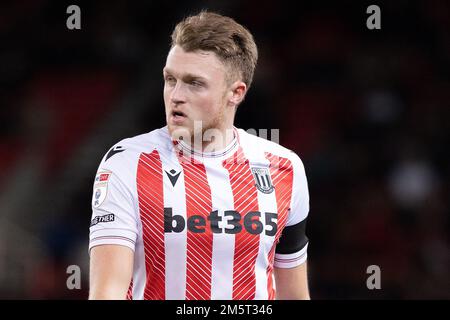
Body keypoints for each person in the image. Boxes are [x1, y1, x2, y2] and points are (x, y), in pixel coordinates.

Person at [88, 10, 310, 300]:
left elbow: (294, 295)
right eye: (171, 79)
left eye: (194, 83)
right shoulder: (127, 163)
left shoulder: (284, 168)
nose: (176, 95)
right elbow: (107, 293)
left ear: (236, 93)